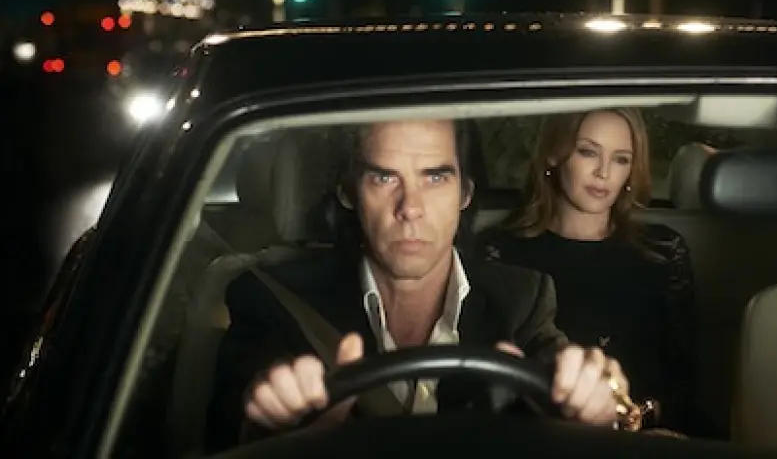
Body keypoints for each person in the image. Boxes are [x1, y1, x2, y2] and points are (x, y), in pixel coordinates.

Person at [205, 119, 632, 450]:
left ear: (465, 194)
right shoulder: (272, 300)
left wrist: (593, 403)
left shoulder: (521, 298)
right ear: (349, 192)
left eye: (435, 177)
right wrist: (269, 430)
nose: (410, 207)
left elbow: (564, 377)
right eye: (384, 178)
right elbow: (224, 431)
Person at [476, 109, 701, 435]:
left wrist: (634, 419)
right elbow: (491, 375)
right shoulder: (501, 249)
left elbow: (682, 379)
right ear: (554, 154)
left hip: (644, 438)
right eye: (588, 152)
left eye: (621, 159)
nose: (604, 172)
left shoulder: (662, 250)